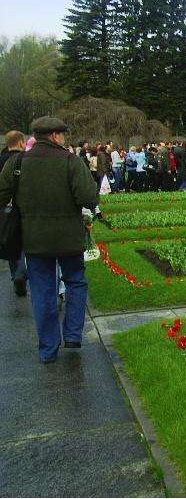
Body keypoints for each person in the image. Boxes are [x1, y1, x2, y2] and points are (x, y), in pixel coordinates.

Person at [0, 117, 97, 363]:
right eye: (62, 134)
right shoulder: (71, 162)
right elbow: (89, 198)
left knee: (43, 291)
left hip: (34, 239)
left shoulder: (17, 162)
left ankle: (48, 349)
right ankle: (73, 334)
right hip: (68, 238)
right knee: (75, 281)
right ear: (55, 136)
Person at [0, 130, 27, 296]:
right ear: (21, 142)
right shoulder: (23, 160)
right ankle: (21, 273)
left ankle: (13, 274)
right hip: (21, 207)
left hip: (5, 208)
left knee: (9, 240)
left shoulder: (1, 158)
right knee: (24, 242)